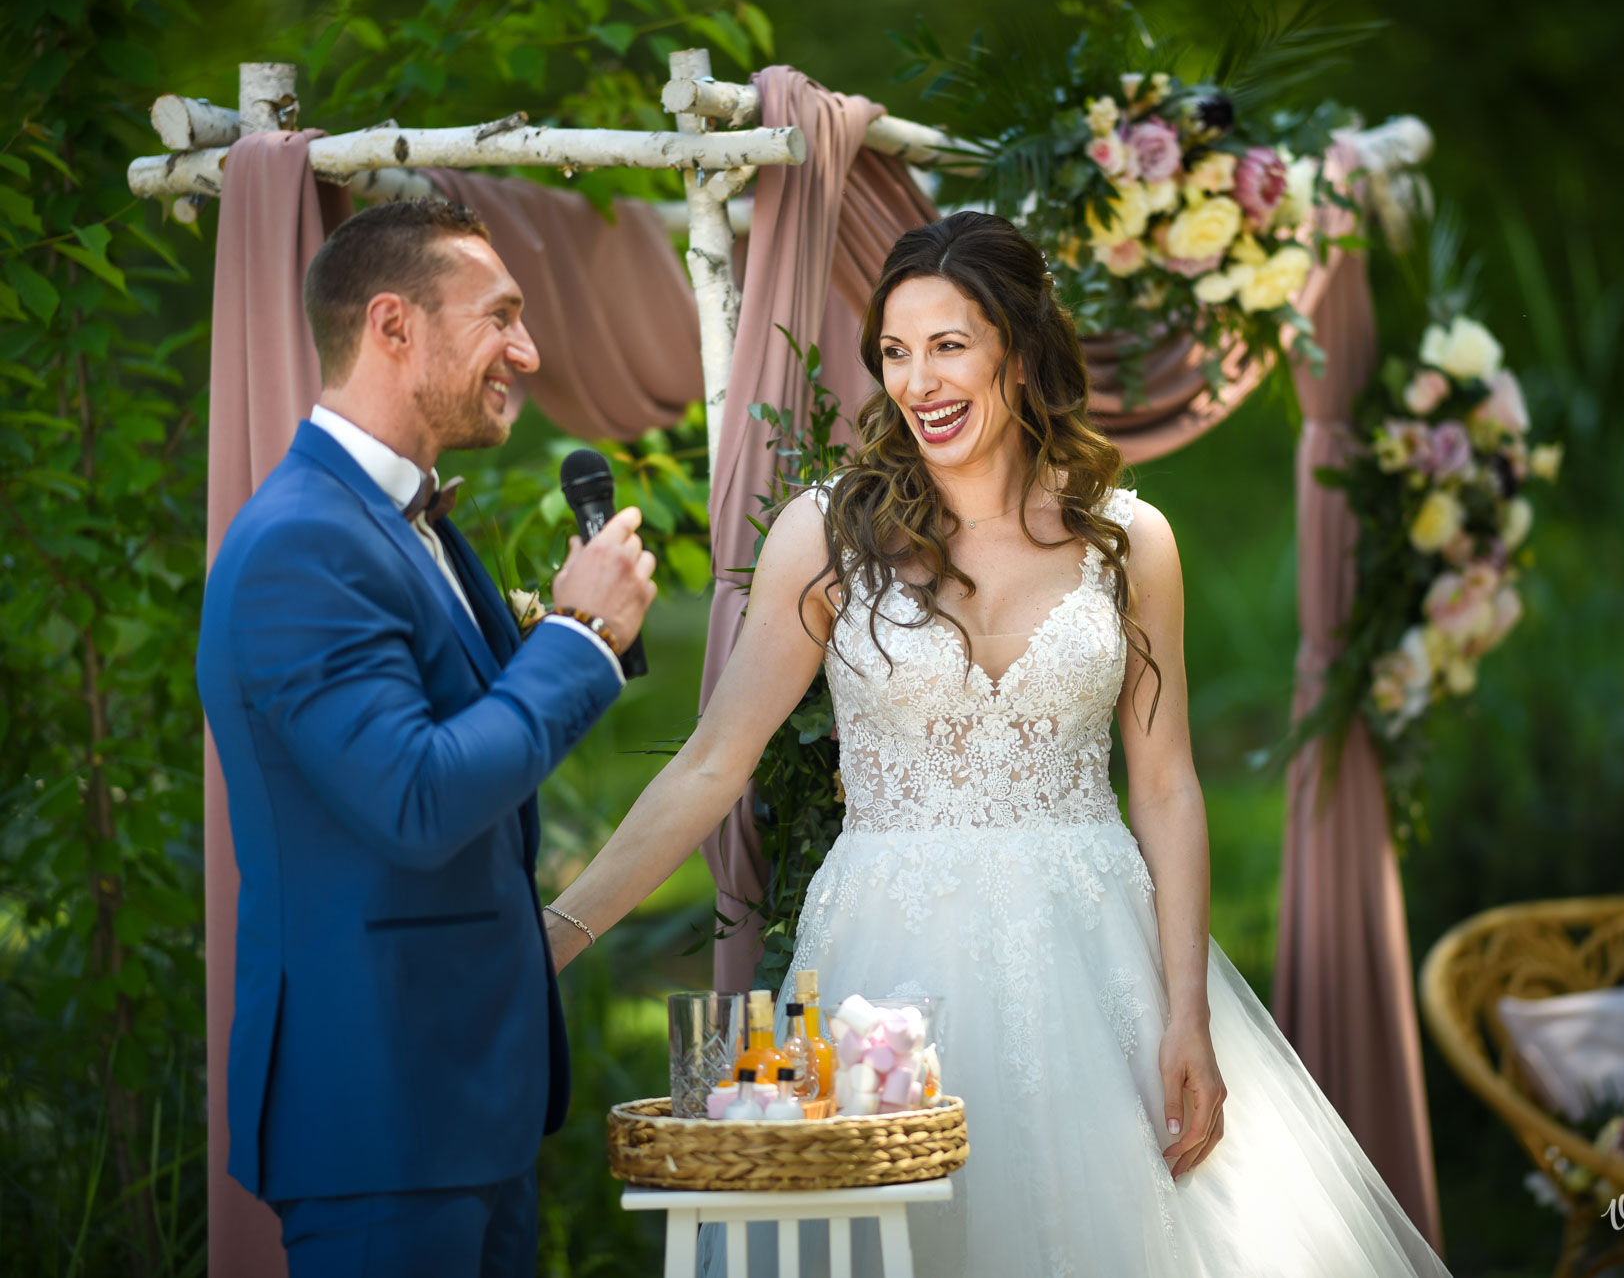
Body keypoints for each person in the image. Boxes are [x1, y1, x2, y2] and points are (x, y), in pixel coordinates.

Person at [545, 211, 1448, 1276]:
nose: (917, 380)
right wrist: (555, 932)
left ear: (1017, 353)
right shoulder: (825, 536)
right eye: (893, 350)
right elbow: (711, 764)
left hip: (1097, 948)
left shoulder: (1131, 540)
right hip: (884, 971)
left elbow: (1166, 787)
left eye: (947, 345)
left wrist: (1188, 1014)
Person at [196, 199, 658, 1277]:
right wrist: (581, 638)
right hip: (378, 1110)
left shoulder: (408, 523)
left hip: (460, 1106)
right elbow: (415, 796)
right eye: (501, 317)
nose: (529, 352)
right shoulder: (302, 543)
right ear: (394, 326)